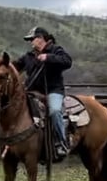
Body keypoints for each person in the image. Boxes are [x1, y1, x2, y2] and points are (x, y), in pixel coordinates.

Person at [13, 26, 73, 159]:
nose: (31, 43)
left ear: (40, 39)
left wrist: (49, 57)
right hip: (33, 92)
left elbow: (67, 61)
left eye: (32, 39)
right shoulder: (28, 56)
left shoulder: (56, 50)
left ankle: (61, 142)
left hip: (53, 91)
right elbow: (15, 66)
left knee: (55, 111)